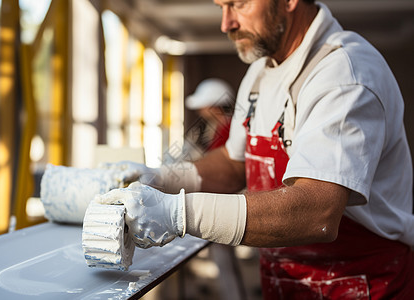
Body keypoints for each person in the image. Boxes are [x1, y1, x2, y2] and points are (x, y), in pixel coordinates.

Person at [98, 0, 414, 298]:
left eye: (239, 4)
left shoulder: (344, 73)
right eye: (221, 6)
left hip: (362, 284)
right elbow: (234, 163)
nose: (226, 23)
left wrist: (178, 214)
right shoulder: (261, 71)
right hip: (284, 278)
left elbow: (317, 212)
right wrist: (161, 177)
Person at [183, 78, 235, 160]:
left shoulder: (230, 129)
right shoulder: (210, 126)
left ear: (215, 107)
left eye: (203, 107)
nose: (199, 111)